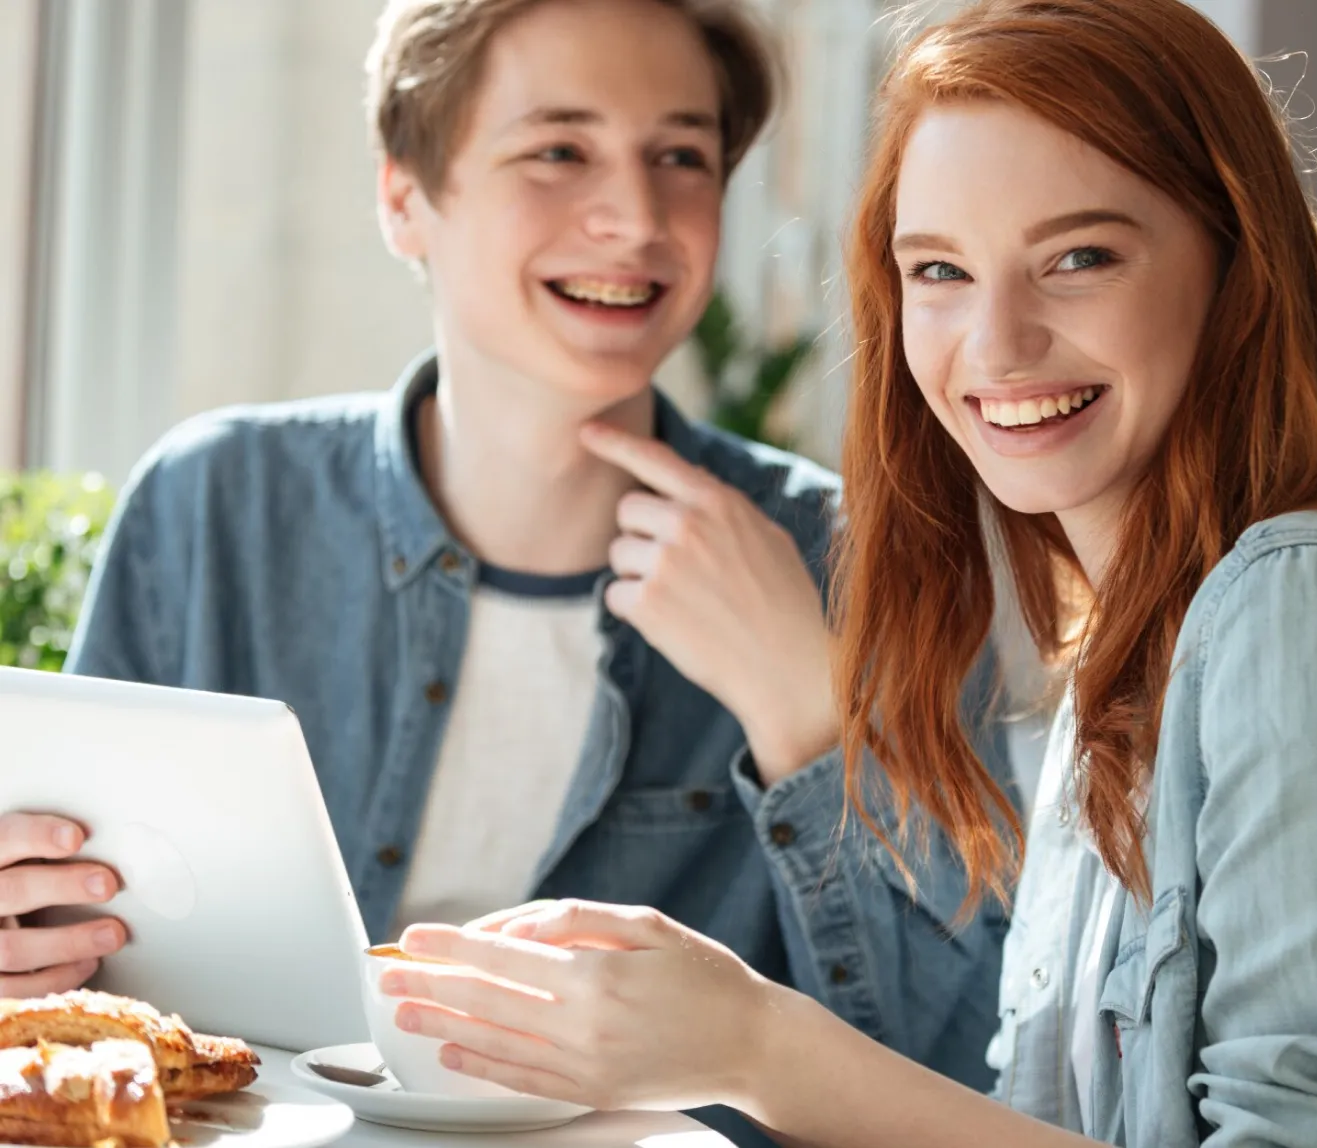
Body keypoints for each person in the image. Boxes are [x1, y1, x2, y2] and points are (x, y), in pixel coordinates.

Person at [0, 0, 1013, 1142]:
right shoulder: (213, 506)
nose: (635, 217)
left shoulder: (855, 563)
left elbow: (963, 1066)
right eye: (558, 150)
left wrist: (799, 709)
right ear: (403, 196)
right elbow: (72, 978)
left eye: (679, 155)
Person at [373, 0, 1317, 1143]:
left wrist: (753, 1043)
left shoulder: (1292, 593)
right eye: (939, 270)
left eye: (1078, 257)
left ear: (1235, 260)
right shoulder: (1111, 651)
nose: (994, 344)